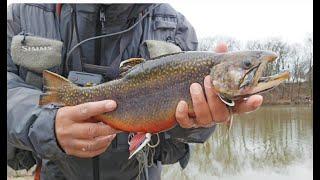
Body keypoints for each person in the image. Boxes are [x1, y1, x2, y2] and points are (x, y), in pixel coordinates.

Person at [7, 3, 263, 180]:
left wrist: (198, 123)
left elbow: (188, 131)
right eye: (248, 65)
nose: (250, 69)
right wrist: (46, 124)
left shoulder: (175, 28)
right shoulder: (20, 16)